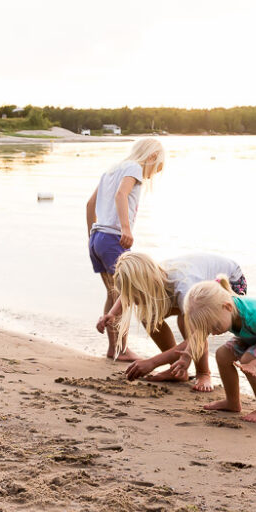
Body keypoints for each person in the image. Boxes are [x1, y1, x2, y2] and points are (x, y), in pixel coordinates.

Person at [98, 252, 247, 391]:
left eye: (135, 296)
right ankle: (176, 369)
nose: (132, 301)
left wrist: (152, 362)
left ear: (145, 286)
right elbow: (126, 294)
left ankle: (203, 373)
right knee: (148, 316)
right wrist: (111, 314)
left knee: (187, 322)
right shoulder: (154, 278)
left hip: (229, 282)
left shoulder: (184, 287)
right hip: (197, 286)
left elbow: (198, 336)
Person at [86, 138, 165, 360]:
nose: (153, 174)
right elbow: (121, 194)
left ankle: (114, 349)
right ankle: (121, 349)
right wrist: (125, 229)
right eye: (157, 168)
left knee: (113, 294)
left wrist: (91, 236)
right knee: (125, 295)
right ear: (151, 157)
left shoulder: (112, 169)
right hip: (112, 238)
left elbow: (90, 205)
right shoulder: (134, 167)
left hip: (98, 237)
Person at [183, 276, 256, 423]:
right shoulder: (222, 311)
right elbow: (198, 337)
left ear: (228, 307)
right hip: (254, 334)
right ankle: (232, 402)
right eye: (208, 328)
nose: (212, 332)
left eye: (215, 326)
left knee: (248, 359)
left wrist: (254, 365)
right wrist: (185, 357)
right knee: (222, 354)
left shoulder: (254, 315)